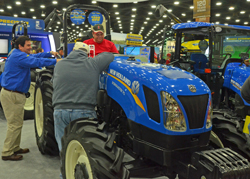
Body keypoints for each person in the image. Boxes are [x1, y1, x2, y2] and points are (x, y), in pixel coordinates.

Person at [1, 36, 61, 161]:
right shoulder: (19, 56)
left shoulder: (17, 53)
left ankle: (15, 147)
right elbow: (37, 62)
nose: (31, 48)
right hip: (13, 95)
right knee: (14, 125)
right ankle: (7, 152)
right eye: (28, 46)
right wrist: (56, 62)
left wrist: (49, 53)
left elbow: (35, 57)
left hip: (14, 94)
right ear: (20, 46)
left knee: (17, 123)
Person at [52, 42, 114, 152]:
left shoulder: (59, 65)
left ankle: (66, 166)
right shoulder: (93, 63)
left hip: (60, 111)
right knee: (85, 149)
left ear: (73, 51)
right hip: (84, 111)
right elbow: (109, 55)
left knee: (64, 148)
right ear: (87, 54)